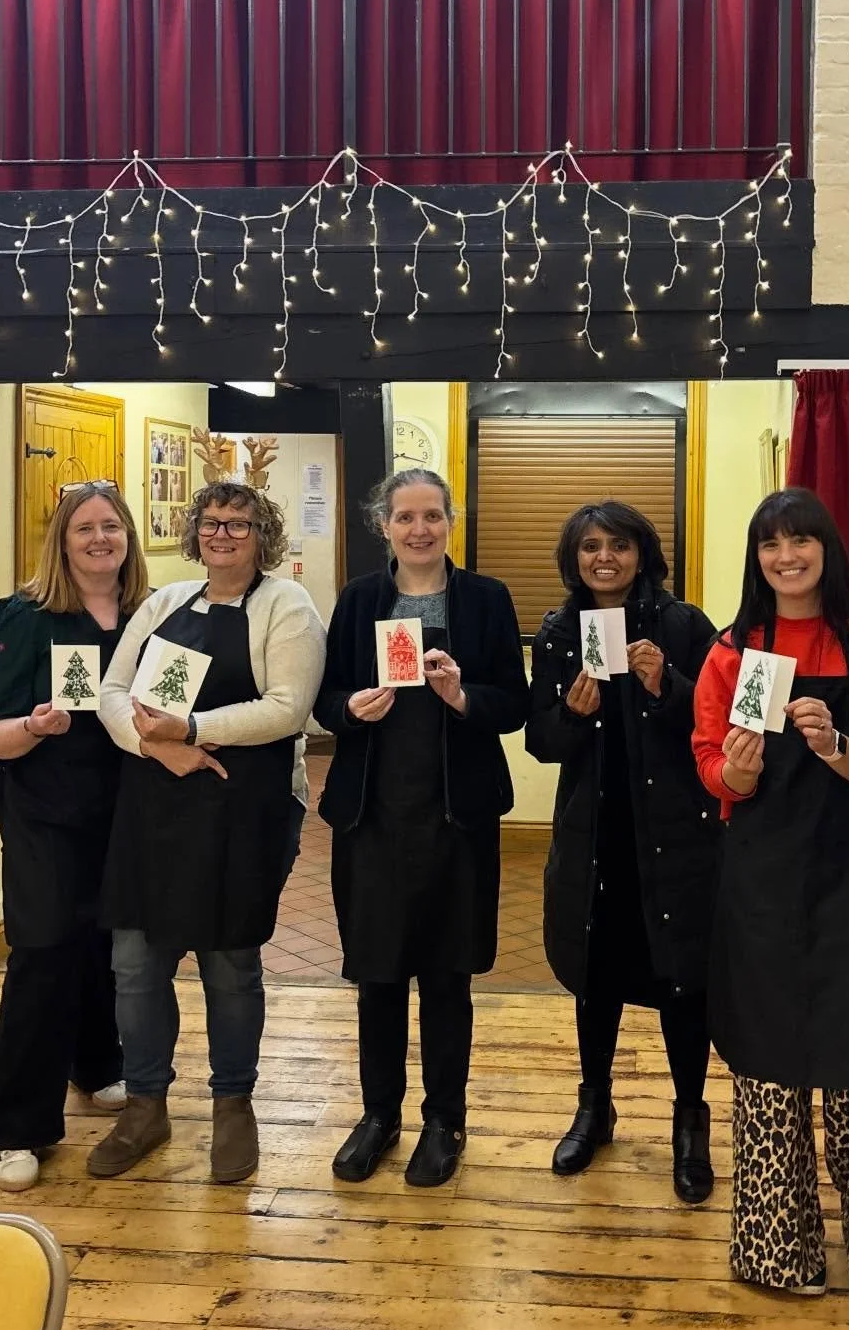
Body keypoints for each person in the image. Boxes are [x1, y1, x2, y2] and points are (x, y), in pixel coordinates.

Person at [693, 487, 849, 1293]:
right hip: (763, 880)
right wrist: (736, 773)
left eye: (802, 540)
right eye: (771, 544)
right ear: (757, 559)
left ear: (827, 547)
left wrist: (835, 745)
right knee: (772, 1054)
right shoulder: (732, 649)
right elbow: (711, 760)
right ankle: (778, 1249)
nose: (787, 556)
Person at [92, 482, 325, 1186]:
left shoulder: (287, 606)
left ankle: (233, 1106)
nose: (223, 535)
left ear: (263, 536)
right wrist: (159, 749)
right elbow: (110, 692)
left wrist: (196, 730)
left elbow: (288, 709)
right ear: (195, 533)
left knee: (230, 966)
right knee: (135, 965)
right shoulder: (163, 603)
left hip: (242, 811)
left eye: (240, 525)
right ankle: (145, 1105)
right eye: (212, 523)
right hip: (153, 807)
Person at [316, 468, 530, 1188]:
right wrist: (353, 709)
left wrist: (462, 694)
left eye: (432, 516)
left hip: (457, 820)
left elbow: (515, 703)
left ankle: (446, 1122)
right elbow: (325, 699)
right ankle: (380, 1116)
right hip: (373, 819)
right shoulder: (359, 600)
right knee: (376, 978)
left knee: (447, 979)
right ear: (384, 524)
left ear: (450, 522)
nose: (419, 529)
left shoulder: (485, 599)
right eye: (405, 517)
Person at [526, 501, 721, 1200]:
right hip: (594, 834)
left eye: (619, 546)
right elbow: (540, 742)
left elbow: (716, 718)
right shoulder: (558, 631)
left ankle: (689, 1120)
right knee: (595, 974)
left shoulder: (683, 624)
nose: (604, 558)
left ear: (644, 553)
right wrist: (572, 715)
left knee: (682, 982)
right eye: (590, 548)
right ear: (574, 558)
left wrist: (665, 683)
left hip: (675, 836)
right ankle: (594, 1104)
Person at [0, 481, 150, 1193]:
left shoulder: (147, 615)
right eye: (85, 529)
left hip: (126, 812)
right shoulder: (24, 617)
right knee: (42, 956)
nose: (101, 539)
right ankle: (18, 1127)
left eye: (112, 527)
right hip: (43, 813)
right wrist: (34, 727)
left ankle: (98, 1065)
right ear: (62, 542)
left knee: (108, 947)